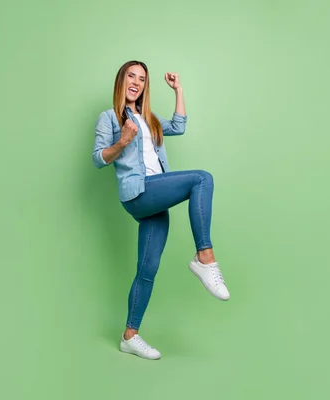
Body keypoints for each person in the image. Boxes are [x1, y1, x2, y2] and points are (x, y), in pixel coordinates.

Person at [92, 60, 229, 360]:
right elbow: (99, 158)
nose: (136, 82)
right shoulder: (109, 118)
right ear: (121, 80)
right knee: (201, 179)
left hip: (156, 198)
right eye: (131, 76)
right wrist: (123, 141)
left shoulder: (150, 118)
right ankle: (204, 257)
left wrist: (178, 89)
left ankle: (130, 335)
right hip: (139, 192)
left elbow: (179, 125)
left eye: (142, 79)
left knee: (147, 270)